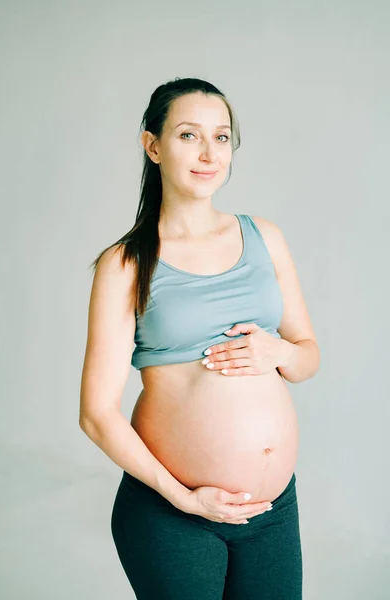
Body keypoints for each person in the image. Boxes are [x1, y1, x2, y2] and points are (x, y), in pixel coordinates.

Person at [79, 76, 320, 600]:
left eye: (222, 137)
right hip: (175, 514)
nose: (209, 152)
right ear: (153, 145)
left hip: (273, 513)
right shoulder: (125, 264)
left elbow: (306, 357)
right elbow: (96, 414)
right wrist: (184, 498)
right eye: (189, 135)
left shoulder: (265, 236)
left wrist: (278, 351)